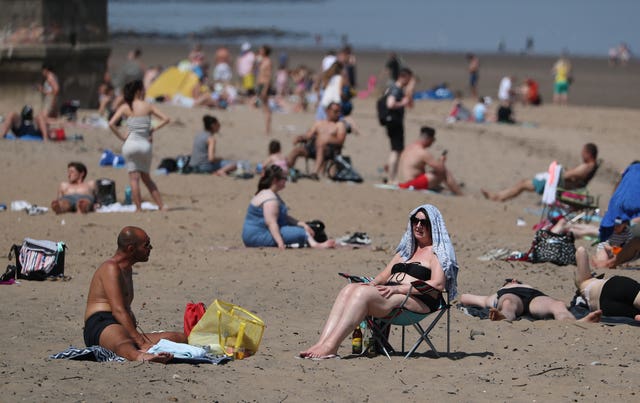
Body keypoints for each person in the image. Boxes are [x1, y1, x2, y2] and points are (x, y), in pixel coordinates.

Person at [299, 204, 458, 359]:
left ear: (434, 226)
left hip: (417, 300)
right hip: (392, 294)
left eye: (424, 222)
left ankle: (331, 347)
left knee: (362, 294)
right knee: (349, 289)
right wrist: (372, 284)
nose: (418, 225)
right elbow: (383, 276)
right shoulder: (406, 250)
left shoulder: (436, 253)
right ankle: (321, 343)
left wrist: (399, 289)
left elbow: (437, 285)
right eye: (415, 221)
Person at [84, 226, 187, 363]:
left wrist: (138, 336)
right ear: (131, 249)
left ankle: (139, 349)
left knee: (178, 337)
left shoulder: (127, 269)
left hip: (122, 325)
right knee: (123, 342)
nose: (151, 248)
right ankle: (141, 356)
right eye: (146, 245)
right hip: (101, 324)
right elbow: (118, 310)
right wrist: (141, 342)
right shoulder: (110, 267)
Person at [108, 80, 171, 211]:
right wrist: (153, 129)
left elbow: (111, 124)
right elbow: (166, 119)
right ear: (139, 91)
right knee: (146, 178)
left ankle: (138, 208)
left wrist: (121, 137)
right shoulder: (148, 106)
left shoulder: (126, 107)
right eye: (143, 89)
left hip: (130, 144)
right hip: (144, 144)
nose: (145, 91)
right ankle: (161, 205)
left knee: (134, 178)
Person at [241, 165, 335, 249]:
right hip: (258, 236)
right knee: (300, 233)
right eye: (284, 178)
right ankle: (316, 245)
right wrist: (280, 243)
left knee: (305, 228)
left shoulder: (270, 194)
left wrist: (302, 224)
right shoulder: (270, 198)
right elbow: (271, 223)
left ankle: (311, 241)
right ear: (275, 180)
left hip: (256, 234)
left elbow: (284, 217)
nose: (286, 180)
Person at [481, 143, 599, 202]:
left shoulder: (587, 166)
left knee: (523, 184)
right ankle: (498, 196)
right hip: (559, 184)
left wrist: (560, 169)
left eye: (583, 152)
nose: (581, 154)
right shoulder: (589, 166)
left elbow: (567, 176)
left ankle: (498, 197)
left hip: (556, 186)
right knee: (523, 184)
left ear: (588, 154)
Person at [460, 278, 601, 323]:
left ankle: (572, 323)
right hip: (509, 295)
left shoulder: (524, 285)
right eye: (508, 280)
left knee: (557, 305)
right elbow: (464, 297)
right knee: (508, 304)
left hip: (533, 295)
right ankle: (503, 316)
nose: (513, 280)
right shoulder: (498, 293)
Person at [574, 247, 640, 320]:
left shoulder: (584, 286)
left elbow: (581, 250)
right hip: (613, 290)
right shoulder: (584, 282)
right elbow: (581, 250)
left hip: (605, 306)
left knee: (635, 315)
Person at [286, 102, 347, 178]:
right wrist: (300, 138)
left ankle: (314, 173)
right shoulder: (319, 123)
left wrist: (327, 139)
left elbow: (340, 141)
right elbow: (308, 136)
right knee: (296, 151)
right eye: (335, 111)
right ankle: (285, 171)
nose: (338, 114)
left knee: (321, 145)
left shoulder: (339, 125)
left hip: (329, 151)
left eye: (339, 111)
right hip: (313, 148)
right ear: (327, 111)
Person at [397, 126, 463, 195]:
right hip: (411, 185)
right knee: (445, 172)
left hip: (402, 182)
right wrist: (441, 161)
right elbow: (441, 169)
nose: (432, 143)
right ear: (429, 139)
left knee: (437, 181)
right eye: (433, 140)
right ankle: (460, 194)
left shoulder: (408, 148)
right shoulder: (422, 152)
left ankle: (452, 190)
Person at [383, 67, 413, 184]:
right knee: (396, 150)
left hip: (392, 122)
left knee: (396, 150)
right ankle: (392, 178)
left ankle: (392, 176)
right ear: (403, 77)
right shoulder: (396, 89)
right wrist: (402, 103)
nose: (409, 82)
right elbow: (390, 104)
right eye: (408, 79)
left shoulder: (392, 88)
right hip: (394, 122)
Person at [35, 64, 60, 140]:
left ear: (46, 70)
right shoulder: (53, 76)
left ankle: (47, 134)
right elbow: (52, 90)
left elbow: (56, 89)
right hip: (51, 98)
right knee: (50, 118)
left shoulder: (50, 77)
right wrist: (43, 90)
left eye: (43, 70)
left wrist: (53, 100)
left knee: (43, 118)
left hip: (50, 99)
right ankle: (50, 133)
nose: (42, 73)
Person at [256, 45, 273, 135]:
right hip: (260, 84)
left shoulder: (268, 62)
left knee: (266, 107)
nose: (260, 51)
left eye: (261, 50)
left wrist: (265, 89)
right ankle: (266, 127)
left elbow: (268, 76)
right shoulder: (261, 61)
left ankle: (267, 128)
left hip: (265, 84)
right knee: (264, 106)